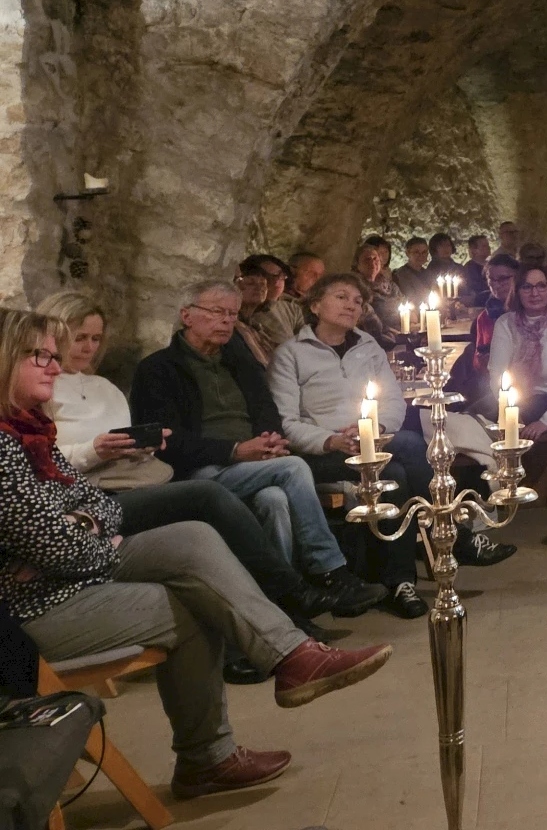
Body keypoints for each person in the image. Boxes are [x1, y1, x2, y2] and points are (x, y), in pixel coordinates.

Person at [0, 309, 395, 801]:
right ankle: (208, 756)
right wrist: (84, 534)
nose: (56, 367)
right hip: (31, 608)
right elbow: (57, 547)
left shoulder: (28, 431)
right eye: (40, 356)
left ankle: (292, 655)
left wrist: (81, 526)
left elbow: (97, 505)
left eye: (54, 356)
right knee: (194, 600)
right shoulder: (4, 447)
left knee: (192, 535)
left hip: (67, 572)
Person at [37, 292, 342, 627]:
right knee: (226, 487)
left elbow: (264, 408)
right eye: (79, 337)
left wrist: (143, 445)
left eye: (96, 339)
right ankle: (306, 584)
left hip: (138, 479)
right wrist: (95, 450)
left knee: (273, 498)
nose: (89, 347)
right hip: (99, 493)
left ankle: (284, 615)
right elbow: (42, 461)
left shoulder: (104, 387)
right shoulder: (44, 390)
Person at [130, 281, 383, 613]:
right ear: (187, 315)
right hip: (199, 472)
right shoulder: (158, 369)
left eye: (232, 314)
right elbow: (167, 441)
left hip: (253, 464)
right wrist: (235, 450)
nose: (226, 321)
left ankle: (285, 606)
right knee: (294, 467)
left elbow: (268, 411)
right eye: (217, 312)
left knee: (273, 499)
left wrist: (271, 440)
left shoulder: (239, 362)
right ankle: (330, 572)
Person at [272, 274, 513, 621]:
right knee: (412, 447)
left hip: (375, 441)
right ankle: (455, 537)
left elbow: (393, 402)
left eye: (358, 301)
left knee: (398, 470)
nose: (352, 305)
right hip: (323, 451)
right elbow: (286, 421)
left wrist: (377, 429)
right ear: (315, 305)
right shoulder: (291, 354)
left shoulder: (367, 345)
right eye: (341, 297)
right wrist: (330, 440)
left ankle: (400, 582)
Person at [486, 266, 547, 438]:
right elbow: (496, 374)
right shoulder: (505, 323)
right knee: (475, 417)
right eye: (527, 287)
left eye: (541, 286)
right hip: (516, 398)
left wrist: (544, 422)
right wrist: (509, 411)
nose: (535, 293)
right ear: (517, 291)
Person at [391, 237, 435, 303]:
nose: (421, 255)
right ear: (407, 253)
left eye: (424, 252)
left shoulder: (429, 274)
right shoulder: (400, 274)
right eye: (416, 252)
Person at [460, 235, 491, 306]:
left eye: (488, 245)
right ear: (474, 250)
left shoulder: (491, 265)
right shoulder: (469, 268)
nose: (488, 248)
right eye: (484, 246)